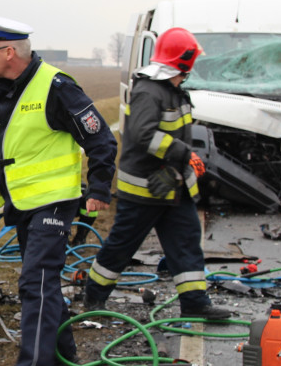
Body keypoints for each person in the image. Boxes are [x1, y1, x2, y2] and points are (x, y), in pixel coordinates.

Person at [0, 14, 117, 366]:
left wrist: (98, 188)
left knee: (34, 282)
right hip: (23, 204)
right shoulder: (1, 92)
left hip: (54, 203)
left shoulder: (57, 88)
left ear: (10, 52)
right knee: (43, 284)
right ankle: (61, 358)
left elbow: (101, 140)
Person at [82, 28, 231, 320]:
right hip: (143, 191)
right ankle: (94, 295)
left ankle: (195, 303)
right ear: (184, 61)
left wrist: (183, 160)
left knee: (187, 241)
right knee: (122, 246)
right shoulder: (150, 91)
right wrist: (183, 153)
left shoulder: (174, 90)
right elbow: (142, 135)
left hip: (172, 186)